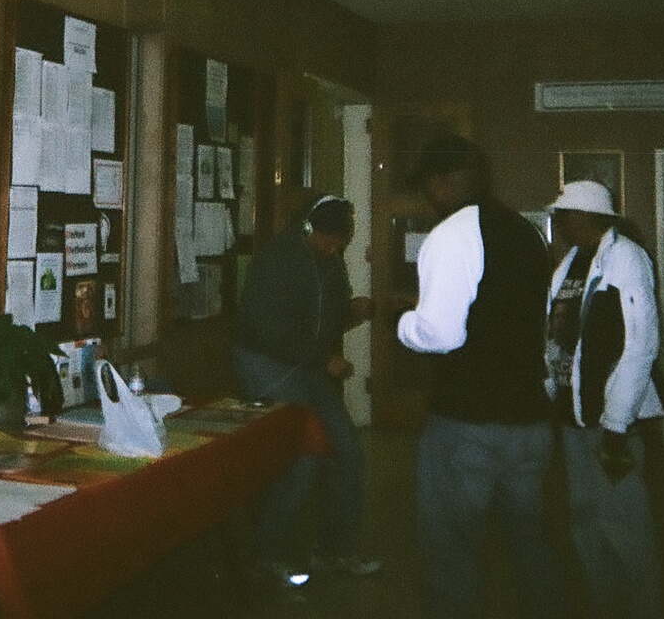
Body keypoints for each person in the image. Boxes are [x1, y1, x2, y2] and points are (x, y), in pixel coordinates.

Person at [397, 135, 564, 619]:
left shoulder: (452, 234)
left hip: (468, 426)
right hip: (529, 424)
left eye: (427, 187)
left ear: (439, 182)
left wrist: (400, 323)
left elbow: (440, 333)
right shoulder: (526, 233)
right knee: (531, 547)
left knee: (452, 552)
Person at [233, 194, 380, 588]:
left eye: (339, 244)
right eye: (327, 241)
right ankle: (263, 557)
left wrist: (352, 311)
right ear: (308, 228)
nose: (332, 249)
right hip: (264, 361)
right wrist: (323, 360)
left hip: (306, 365)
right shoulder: (278, 258)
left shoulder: (331, 259)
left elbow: (324, 319)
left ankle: (335, 550)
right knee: (302, 454)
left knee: (348, 451)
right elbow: (269, 329)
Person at [545, 180, 664, 619]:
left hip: (613, 424)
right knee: (584, 519)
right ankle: (604, 605)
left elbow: (641, 344)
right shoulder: (569, 264)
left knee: (625, 523)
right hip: (574, 420)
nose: (559, 224)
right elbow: (556, 339)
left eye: (563, 216)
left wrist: (616, 424)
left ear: (587, 216)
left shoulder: (626, 258)